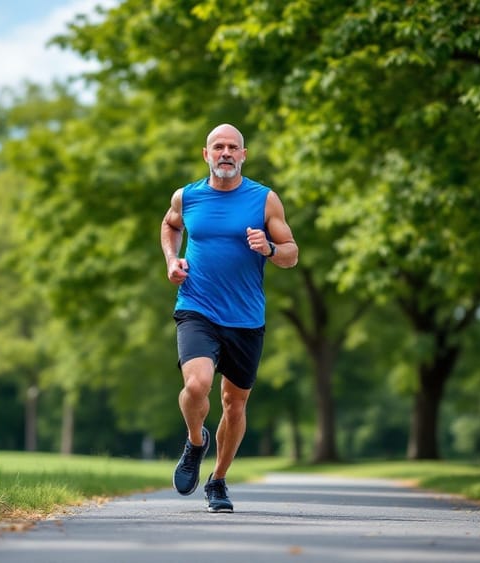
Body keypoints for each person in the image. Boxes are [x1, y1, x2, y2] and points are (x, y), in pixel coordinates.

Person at [160, 123, 299, 513]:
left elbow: (292, 253)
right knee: (197, 383)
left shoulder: (264, 200)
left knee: (234, 404)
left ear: (243, 155)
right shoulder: (187, 197)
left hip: (245, 317)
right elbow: (170, 226)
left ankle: (217, 480)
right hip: (197, 306)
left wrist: (270, 247)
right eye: (217, 146)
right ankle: (195, 441)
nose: (225, 153)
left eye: (232, 147)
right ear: (206, 154)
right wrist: (172, 261)